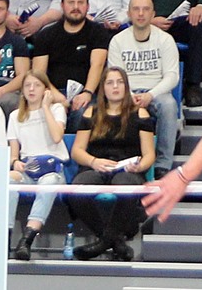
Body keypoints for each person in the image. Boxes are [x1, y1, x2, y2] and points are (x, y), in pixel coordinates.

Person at [68, 65, 156, 261]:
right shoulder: (91, 113)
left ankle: (103, 243)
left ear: (126, 86)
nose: (115, 87)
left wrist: (140, 166)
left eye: (119, 82)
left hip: (128, 169)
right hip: (97, 166)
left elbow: (149, 154)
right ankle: (114, 241)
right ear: (103, 88)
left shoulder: (140, 114)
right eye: (110, 83)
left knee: (124, 185)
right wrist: (93, 161)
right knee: (77, 189)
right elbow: (77, 151)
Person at [108, 0, 181, 177]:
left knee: (169, 105)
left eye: (146, 9)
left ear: (153, 14)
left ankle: (162, 166)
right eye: (136, 9)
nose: (141, 13)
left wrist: (150, 95)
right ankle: (116, 160)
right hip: (126, 92)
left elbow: (172, 76)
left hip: (157, 93)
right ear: (129, 14)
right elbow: (115, 75)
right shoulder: (117, 41)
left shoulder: (165, 39)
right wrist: (130, 96)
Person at [8, 71, 71, 260]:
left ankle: (26, 239)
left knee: (48, 183)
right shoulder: (15, 116)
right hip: (28, 169)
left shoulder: (56, 109)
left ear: (45, 89)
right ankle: (5, 236)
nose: (32, 89)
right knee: (7, 181)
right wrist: (15, 162)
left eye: (37, 85)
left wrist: (45, 107)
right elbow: (13, 154)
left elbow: (57, 136)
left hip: (52, 169)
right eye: (27, 85)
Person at [30, 0, 110, 119]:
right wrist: (57, 97)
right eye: (71, 3)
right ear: (62, 6)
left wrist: (87, 93)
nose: (76, 7)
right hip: (52, 91)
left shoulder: (98, 32)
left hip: (87, 93)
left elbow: (97, 65)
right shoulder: (46, 34)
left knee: (82, 113)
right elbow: (39, 73)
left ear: (88, 6)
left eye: (80, 3)